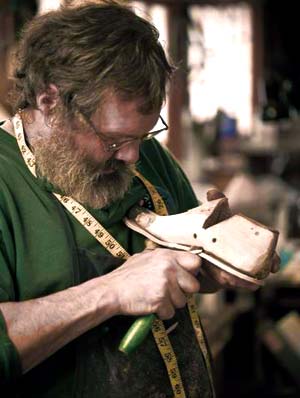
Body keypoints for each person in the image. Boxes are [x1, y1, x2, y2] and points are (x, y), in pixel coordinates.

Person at [0, 1, 279, 397]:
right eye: (113, 138)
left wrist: (214, 267)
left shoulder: (143, 156)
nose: (132, 156)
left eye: (143, 135)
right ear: (49, 101)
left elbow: (175, 275)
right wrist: (111, 292)